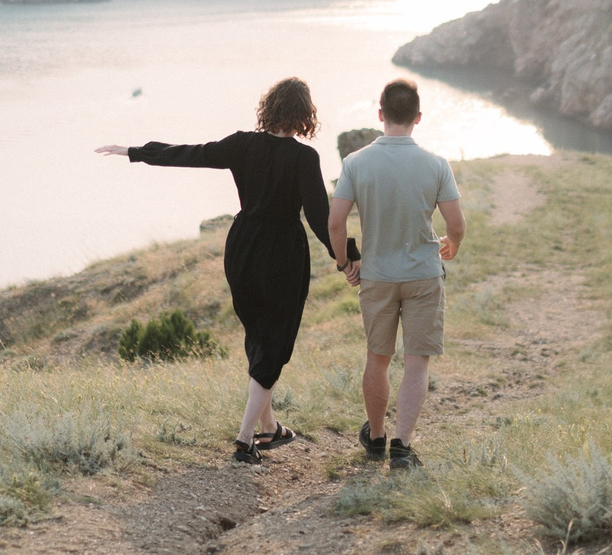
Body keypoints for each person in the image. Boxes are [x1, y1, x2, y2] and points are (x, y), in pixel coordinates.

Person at [97, 77, 331, 464]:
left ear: (268, 107)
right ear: (305, 114)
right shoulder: (305, 159)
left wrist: (134, 151)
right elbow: (320, 218)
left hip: (241, 249)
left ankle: (270, 428)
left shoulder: (242, 144)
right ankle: (245, 437)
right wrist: (347, 258)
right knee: (275, 342)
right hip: (283, 253)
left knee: (259, 336)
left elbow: (190, 153)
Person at [328, 79, 462, 470]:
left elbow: (336, 222)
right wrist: (451, 243)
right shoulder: (436, 164)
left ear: (381, 114)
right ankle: (402, 448)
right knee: (417, 363)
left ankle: (376, 439)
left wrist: (345, 263)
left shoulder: (355, 163)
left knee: (378, 358)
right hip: (423, 274)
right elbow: (457, 223)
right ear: (418, 117)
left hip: (377, 276)